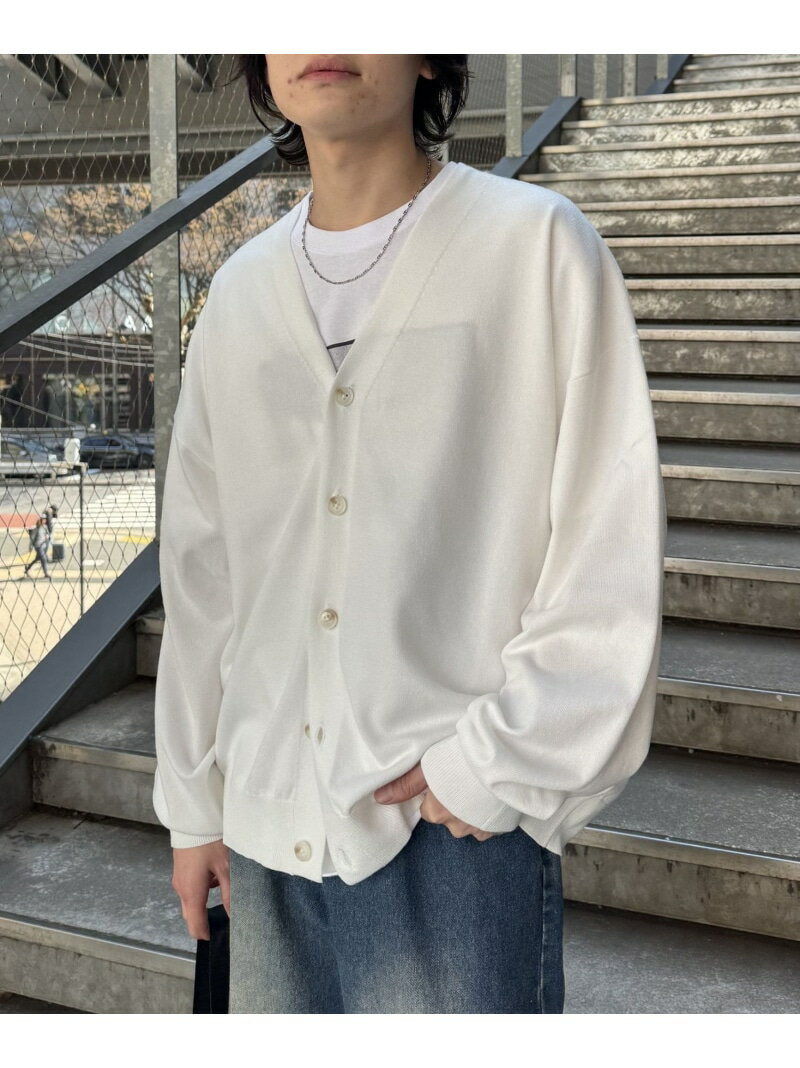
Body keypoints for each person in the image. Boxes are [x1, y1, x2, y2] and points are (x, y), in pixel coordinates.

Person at [152, 54, 666, 1014]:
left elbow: (608, 539)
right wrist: (192, 804)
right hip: (261, 827)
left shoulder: (535, 248)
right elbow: (203, 572)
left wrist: (494, 767)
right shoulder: (240, 293)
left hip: (451, 832)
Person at [23, 516, 52, 580]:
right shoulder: (36, 529)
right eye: (43, 520)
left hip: (43, 546)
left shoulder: (45, 527)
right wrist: (30, 547)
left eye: (45, 519)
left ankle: (27, 569)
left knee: (37, 559)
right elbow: (32, 538)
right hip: (38, 546)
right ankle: (46, 573)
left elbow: (47, 534)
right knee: (43, 559)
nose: (45, 521)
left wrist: (47, 536)